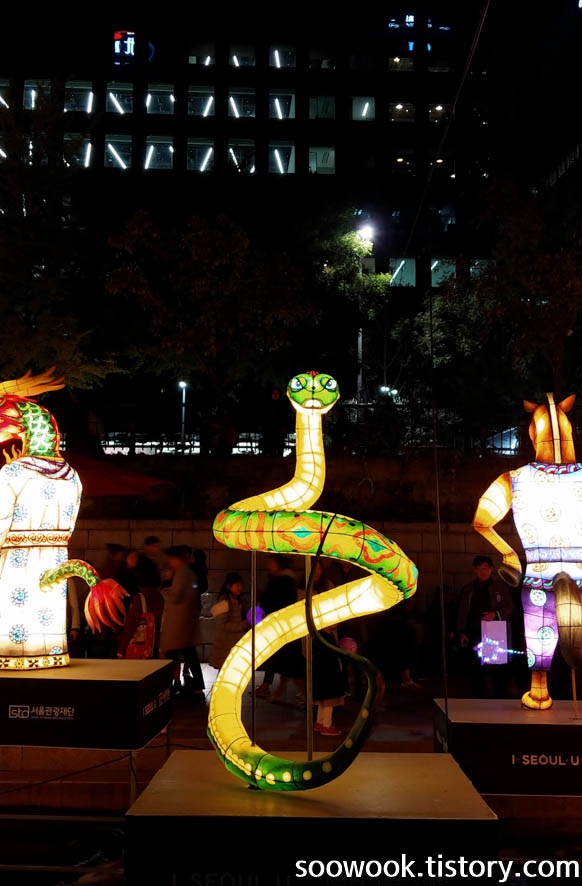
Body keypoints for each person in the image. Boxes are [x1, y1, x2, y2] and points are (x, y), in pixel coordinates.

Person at [457, 555, 515, 697]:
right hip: (475, 631)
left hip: (495, 631)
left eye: (485, 568)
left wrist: (495, 614)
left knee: (496, 667)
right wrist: (462, 631)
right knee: (476, 667)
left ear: (491, 569)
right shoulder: (469, 589)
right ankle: (478, 697)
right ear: (475, 570)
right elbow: (463, 611)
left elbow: (510, 607)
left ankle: (499, 697)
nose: (482, 572)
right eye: (479, 568)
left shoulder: (499, 587)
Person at [302, 561, 346, 736]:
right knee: (329, 690)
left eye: (320, 568)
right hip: (321, 644)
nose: (317, 572)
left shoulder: (327, 587)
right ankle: (326, 724)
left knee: (323, 689)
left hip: (322, 642)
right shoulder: (306, 593)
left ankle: (320, 722)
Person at [257, 554, 304, 700]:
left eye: (271, 563)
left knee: (291, 666)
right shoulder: (286, 580)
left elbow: (274, 603)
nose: (269, 566)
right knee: (288, 666)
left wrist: (262, 596)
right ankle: (279, 691)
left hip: (282, 628)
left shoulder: (281, 582)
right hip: (285, 627)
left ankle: (309, 697)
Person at [160, 546, 204, 698]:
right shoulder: (188, 573)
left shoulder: (182, 573)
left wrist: (163, 592)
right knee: (189, 655)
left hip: (179, 624)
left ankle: (170, 686)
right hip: (185, 623)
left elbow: (175, 596)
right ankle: (196, 687)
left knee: (173, 655)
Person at [117, 573, 164, 659]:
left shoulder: (140, 598)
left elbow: (131, 625)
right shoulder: (161, 597)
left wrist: (122, 650)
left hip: (141, 648)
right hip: (158, 646)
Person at [209, 572, 249, 670]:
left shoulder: (240, 600)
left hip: (236, 641)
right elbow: (222, 624)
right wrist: (241, 626)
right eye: (237, 585)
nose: (240, 588)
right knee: (226, 669)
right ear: (229, 586)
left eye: (241, 585)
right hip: (225, 643)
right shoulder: (224, 601)